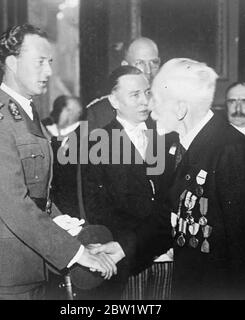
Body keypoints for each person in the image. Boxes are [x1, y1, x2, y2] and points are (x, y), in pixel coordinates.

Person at [90, 58, 245, 299]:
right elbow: (169, 219)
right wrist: (122, 248)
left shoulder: (230, 151)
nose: (150, 110)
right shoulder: (191, 149)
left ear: (181, 108)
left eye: (157, 102)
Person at [0, 23, 116, 300]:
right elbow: (15, 205)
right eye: (40, 62)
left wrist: (71, 233)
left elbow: (38, 195)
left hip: (28, 264)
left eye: (50, 62)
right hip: (2, 272)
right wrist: (77, 253)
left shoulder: (25, 113)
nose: (48, 71)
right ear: (12, 62)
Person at [83, 65, 173, 300]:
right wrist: (134, 244)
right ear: (114, 100)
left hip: (169, 257)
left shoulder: (167, 135)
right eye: (135, 95)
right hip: (127, 260)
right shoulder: (98, 144)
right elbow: (99, 210)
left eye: (147, 93)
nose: (145, 101)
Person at [87, 37, 161, 131]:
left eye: (154, 62)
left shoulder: (170, 105)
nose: (148, 70)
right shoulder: (99, 112)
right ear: (125, 65)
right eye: (140, 63)